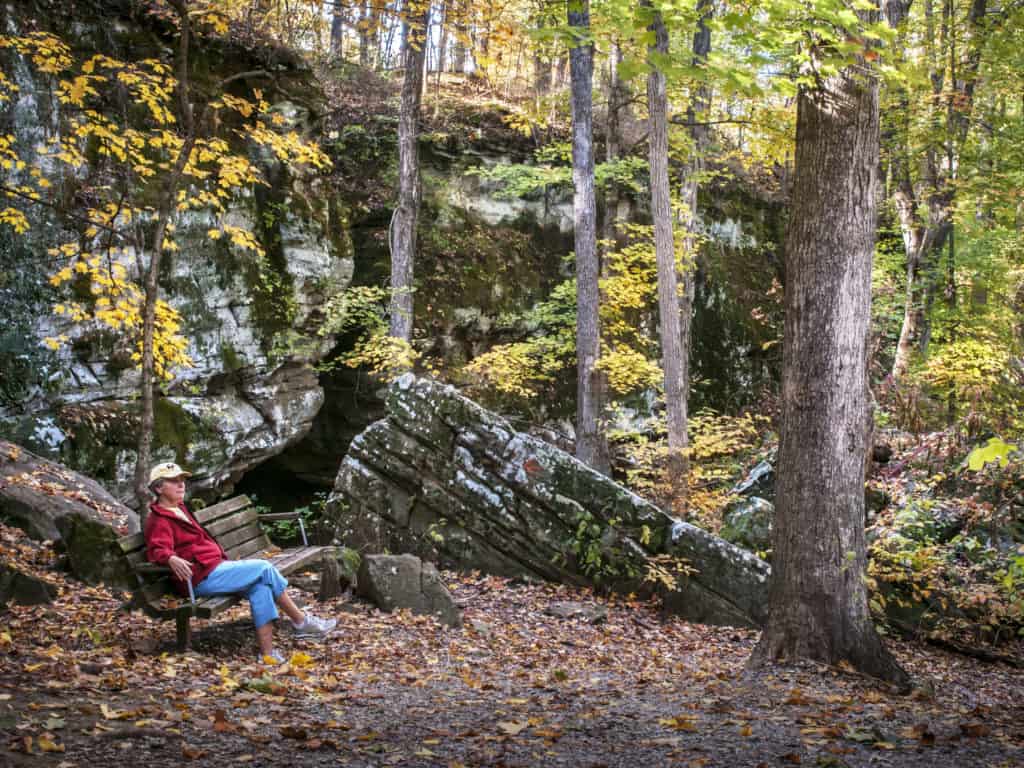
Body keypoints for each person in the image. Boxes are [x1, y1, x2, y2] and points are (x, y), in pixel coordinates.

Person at [144, 461, 336, 663]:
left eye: (181, 480)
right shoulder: (159, 519)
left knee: (261, 587)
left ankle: (268, 655)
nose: (181, 484)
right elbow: (157, 549)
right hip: (200, 577)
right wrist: (170, 557)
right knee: (264, 568)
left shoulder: (179, 508)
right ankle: (301, 622)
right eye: (173, 481)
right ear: (159, 488)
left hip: (214, 568)